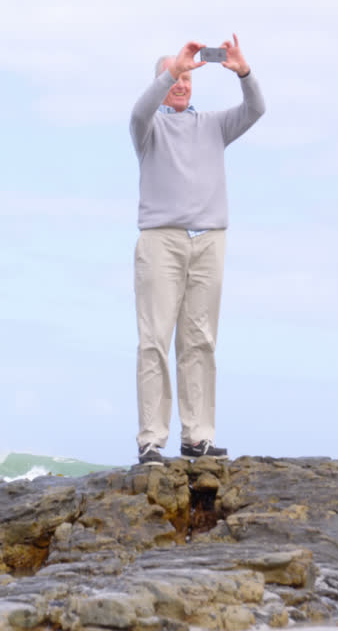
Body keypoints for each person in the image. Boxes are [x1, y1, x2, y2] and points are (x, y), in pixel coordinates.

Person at [129, 34, 265, 466]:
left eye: (188, 77)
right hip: (161, 240)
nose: (183, 83)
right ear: (163, 81)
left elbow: (256, 109)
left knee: (200, 341)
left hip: (209, 239)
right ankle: (152, 439)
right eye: (175, 77)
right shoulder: (149, 128)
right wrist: (172, 66)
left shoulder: (213, 125)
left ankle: (197, 437)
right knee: (154, 340)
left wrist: (243, 71)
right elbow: (138, 111)